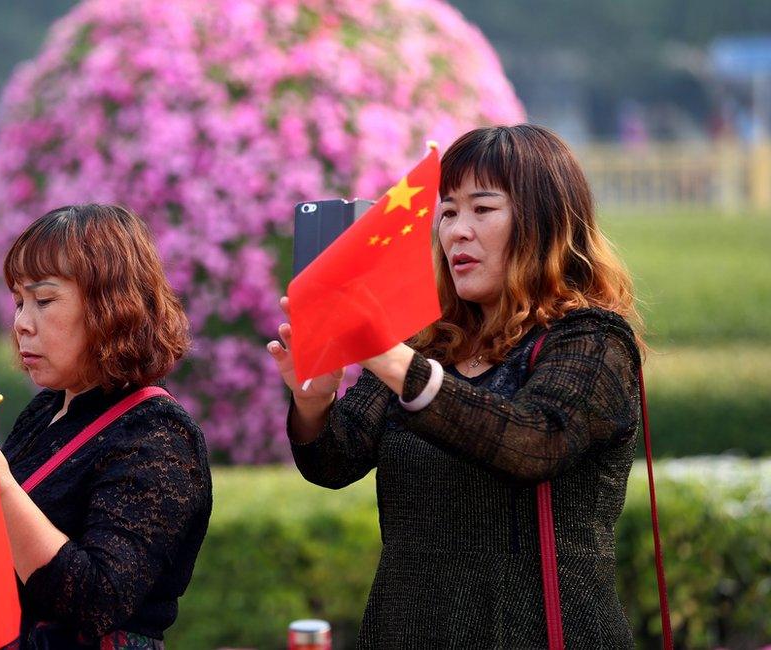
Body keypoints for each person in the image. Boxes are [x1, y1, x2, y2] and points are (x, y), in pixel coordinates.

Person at [267, 125, 645, 648]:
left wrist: (392, 360)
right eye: (446, 212)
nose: (456, 232)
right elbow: (334, 462)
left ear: (544, 222)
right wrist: (313, 403)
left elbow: (533, 443)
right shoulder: (426, 345)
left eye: (482, 210)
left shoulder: (593, 340)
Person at [0, 204, 212, 649]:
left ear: (113, 306)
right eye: (18, 302)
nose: (21, 324)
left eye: (44, 300)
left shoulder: (159, 434)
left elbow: (97, 599)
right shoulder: (46, 410)